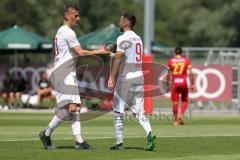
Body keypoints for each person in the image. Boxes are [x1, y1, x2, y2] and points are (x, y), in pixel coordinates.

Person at [39, 5, 112, 150]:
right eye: (76, 15)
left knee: (76, 107)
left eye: (78, 16)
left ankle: (79, 141)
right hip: (63, 73)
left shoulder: (63, 31)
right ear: (67, 16)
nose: (78, 19)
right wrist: (102, 51)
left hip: (67, 73)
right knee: (71, 107)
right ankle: (46, 133)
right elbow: (80, 52)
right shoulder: (68, 32)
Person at [108, 12, 156, 151]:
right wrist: (115, 54)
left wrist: (112, 76)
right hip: (139, 77)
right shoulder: (138, 38)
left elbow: (120, 58)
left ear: (125, 23)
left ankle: (119, 143)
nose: (118, 23)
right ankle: (150, 133)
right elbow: (127, 55)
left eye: (120, 21)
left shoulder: (122, 37)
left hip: (126, 78)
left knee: (118, 111)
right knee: (138, 112)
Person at [166, 47, 195, 127]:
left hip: (174, 84)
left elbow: (168, 74)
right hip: (183, 83)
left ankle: (175, 121)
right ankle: (181, 114)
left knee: (175, 102)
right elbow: (191, 73)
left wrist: (167, 83)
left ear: (175, 53)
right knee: (185, 100)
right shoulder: (186, 61)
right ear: (182, 53)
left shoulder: (170, 61)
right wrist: (192, 83)